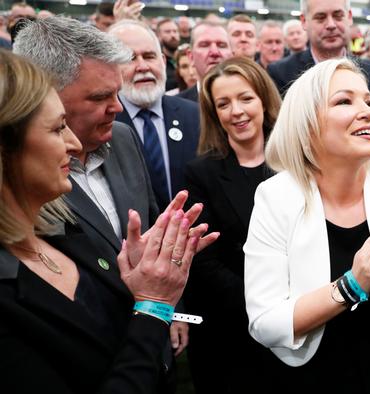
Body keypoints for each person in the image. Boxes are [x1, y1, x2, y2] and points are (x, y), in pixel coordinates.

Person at [0, 48, 216, 394]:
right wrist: (154, 307)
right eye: (58, 129)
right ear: (7, 149)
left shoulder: (63, 237)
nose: (72, 143)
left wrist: (142, 279)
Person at [244, 58, 370, 393]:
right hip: (306, 378)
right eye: (343, 101)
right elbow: (265, 323)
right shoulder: (275, 197)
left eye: (369, 101)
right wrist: (351, 286)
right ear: (307, 125)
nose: (367, 111)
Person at [182, 57, 283, 394]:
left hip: (298, 320)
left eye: (245, 98)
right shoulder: (200, 173)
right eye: (223, 104)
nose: (236, 111)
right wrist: (262, 302)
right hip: (230, 330)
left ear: (264, 100)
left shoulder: (298, 163)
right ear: (214, 114)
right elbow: (203, 259)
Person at [266, 0, 370, 152]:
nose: (330, 25)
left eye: (337, 16)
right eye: (321, 17)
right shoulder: (281, 72)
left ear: (349, 17)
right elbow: (275, 131)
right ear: (304, 21)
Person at [110, 20, 200, 213]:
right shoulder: (104, 124)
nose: (142, 67)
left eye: (149, 56)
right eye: (129, 58)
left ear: (163, 62)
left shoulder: (195, 115)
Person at [177, 21, 233, 102]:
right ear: (191, 56)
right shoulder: (175, 107)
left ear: (232, 54)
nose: (214, 52)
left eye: (221, 45)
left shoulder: (253, 98)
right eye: (204, 45)